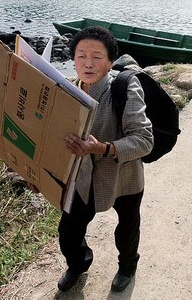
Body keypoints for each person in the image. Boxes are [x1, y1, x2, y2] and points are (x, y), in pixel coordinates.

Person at [57, 26, 153, 293]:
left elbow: (144, 140)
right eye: (81, 56)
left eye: (97, 56)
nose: (88, 63)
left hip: (123, 174)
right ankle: (78, 264)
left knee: (127, 227)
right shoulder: (66, 89)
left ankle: (127, 266)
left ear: (110, 61)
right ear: (73, 59)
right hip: (82, 177)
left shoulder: (124, 87)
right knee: (69, 231)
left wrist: (102, 148)